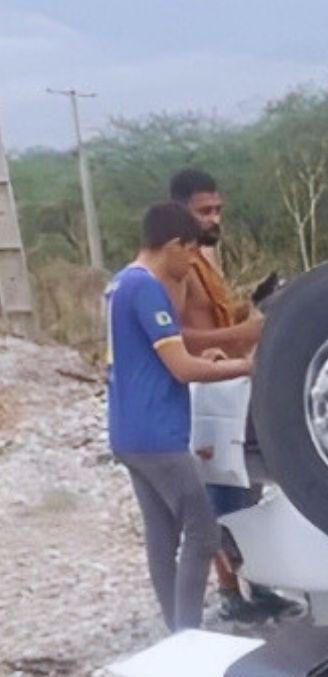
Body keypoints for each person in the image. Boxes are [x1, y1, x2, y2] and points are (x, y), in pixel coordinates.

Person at [106, 202, 253, 632]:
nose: (192, 264)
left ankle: (175, 630)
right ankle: (188, 633)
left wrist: (203, 356)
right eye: (190, 253)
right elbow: (183, 370)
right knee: (203, 532)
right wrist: (246, 366)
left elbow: (159, 356)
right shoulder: (148, 289)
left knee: (162, 533)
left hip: (127, 429)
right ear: (173, 245)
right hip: (157, 434)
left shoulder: (118, 284)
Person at [167, 168, 289, 621]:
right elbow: (175, 338)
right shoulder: (175, 268)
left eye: (218, 208)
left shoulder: (205, 259)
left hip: (234, 383)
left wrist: (256, 307)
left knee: (246, 485)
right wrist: (245, 331)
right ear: (180, 212)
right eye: (204, 211)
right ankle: (231, 594)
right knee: (221, 494)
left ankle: (258, 583)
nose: (214, 217)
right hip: (207, 387)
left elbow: (218, 318)